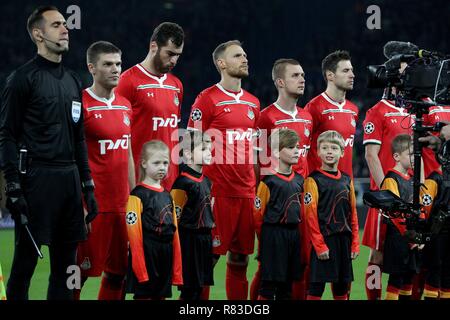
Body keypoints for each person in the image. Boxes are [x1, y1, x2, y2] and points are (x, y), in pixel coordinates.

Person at [0, 5, 98, 300]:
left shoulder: (73, 81)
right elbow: (6, 134)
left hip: (68, 180)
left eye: (65, 24)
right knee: (25, 265)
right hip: (37, 179)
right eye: (56, 25)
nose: (66, 28)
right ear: (38, 34)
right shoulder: (21, 79)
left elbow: (79, 138)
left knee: (67, 267)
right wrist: (13, 186)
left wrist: (87, 185)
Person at [187, 40, 260, 300]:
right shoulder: (207, 99)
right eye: (238, 55)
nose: (245, 59)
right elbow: (190, 146)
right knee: (209, 259)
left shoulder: (253, 103)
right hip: (216, 194)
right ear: (221, 63)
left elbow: (255, 151)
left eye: (245, 54)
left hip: (246, 194)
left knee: (241, 259)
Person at [74, 41, 135, 300]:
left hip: (123, 205)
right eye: (108, 64)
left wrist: (137, 198)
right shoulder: (79, 104)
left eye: (118, 64)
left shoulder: (124, 104)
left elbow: (128, 153)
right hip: (94, 205)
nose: (115, 69)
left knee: (118, 273)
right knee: (80, 272)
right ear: (92, 68)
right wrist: (80, 204)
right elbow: (72, 158)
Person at [251, 58, 312, 300]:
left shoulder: (308, 117)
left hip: (302, 200)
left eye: (303, 75)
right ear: (279, 81)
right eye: (296, 75)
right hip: (276, 202)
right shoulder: (265, 117)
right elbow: (258, 163)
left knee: (301, 264)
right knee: (267, 268)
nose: (302, 79)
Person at [361, 62, 413, 300]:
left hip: (411, 197)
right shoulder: (377, 111)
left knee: (409, 256)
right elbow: (371, 155)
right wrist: (388, 198)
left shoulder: (415, 112)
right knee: (378, 257)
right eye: (403, 70)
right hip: (387, 199)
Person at [116, 22, 184, 190]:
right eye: (169, 53)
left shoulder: (176, 85)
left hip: (170, 182)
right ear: (154, 46)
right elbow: (118, 138)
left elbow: (173, 134)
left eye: (178, 55)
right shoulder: (127, 81)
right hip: (140, 183)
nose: (174, 60)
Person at [303, 130, 359, 300]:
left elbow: (353, 214)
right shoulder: (313, 180)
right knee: (315, 288)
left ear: (342, 152)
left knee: (342, 289)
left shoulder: (346, 179)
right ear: (318, 152)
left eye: (334, 148)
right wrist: (319, 245)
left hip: (344, 241)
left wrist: (355, 243)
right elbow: (310, 217)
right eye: (325, 148)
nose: (329, 151)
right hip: (324, 241)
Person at [125, 140, 182, 300]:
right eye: (156, 163)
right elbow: (134, 237)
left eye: (165, 163)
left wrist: (177, 270)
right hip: (146, 255)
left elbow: (174, 233)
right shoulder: (137, 195)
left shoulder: (167, 195)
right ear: (144, 163)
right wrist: (141, 270)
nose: (162, 167)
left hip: (165, 255)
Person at [253, 129, 304, 300]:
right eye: (290, 147)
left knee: (287, 287)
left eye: (297, 147)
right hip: (273, 235)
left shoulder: (299, 180)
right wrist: (266, 239)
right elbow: (257, 215)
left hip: (293, 235)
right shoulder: (268, 181)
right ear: (276, 151)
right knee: (268, 286)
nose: (296, 151)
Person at [170, 131, 214, 300]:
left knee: (199, 289)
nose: (209, 152)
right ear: (188, 153)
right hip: (188, 241)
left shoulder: (206, 181)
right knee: (189, 290)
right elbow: (174, 217)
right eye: (203, 149)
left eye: (209, 149)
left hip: (204, 240)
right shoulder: (183, 183)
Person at [378, 134, 422, 300]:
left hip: (412, 238)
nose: (414, 158)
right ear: (396, 156)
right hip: (398, 237)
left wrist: (419, 236)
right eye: (410, 154)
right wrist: (411, 238)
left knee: (409, 279)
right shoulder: (391, 179)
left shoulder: (412, 179)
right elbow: (395, 214)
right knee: (396, 279)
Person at [304, 50, 358, 178]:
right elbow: (302, 151)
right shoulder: (314, 108)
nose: (352, 75)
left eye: (351, 70)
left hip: (345, 184)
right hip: (320, 187)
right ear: (330, 75)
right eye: (345, 71)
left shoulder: (353, 109)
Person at [419, 169, 450, 300]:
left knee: (441, 273)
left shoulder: (435, 177)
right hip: (437, 234)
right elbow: (425, 205)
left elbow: (425, 204)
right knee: (435, 271)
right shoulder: (435, 177)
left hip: (439, 233)